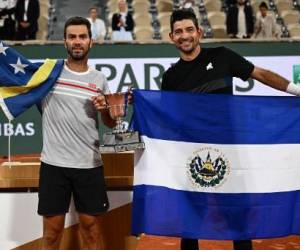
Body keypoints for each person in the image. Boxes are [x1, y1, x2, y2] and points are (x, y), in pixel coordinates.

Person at [162, 9, 300, 250]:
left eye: (189, 30)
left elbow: (262, 74)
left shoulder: (223, 56)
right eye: (179, 32)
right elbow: (167, 119)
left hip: (229, 153)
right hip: (193, 157)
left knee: (237, 219)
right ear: (171, 37)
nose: (184, 36)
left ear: (199, 32)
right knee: (190, 223)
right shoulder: (170, 77)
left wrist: (297, 90)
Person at [38, 16, 116, 250]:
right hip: (53, 165)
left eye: (82, 36)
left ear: (91, 41)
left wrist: (105, 110)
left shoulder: (99, 79)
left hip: (89, 164)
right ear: (65, 42)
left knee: (92, 231)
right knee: (51, 233)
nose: (77, 41)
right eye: (72, 37)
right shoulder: (49, 73)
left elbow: (111, 123)